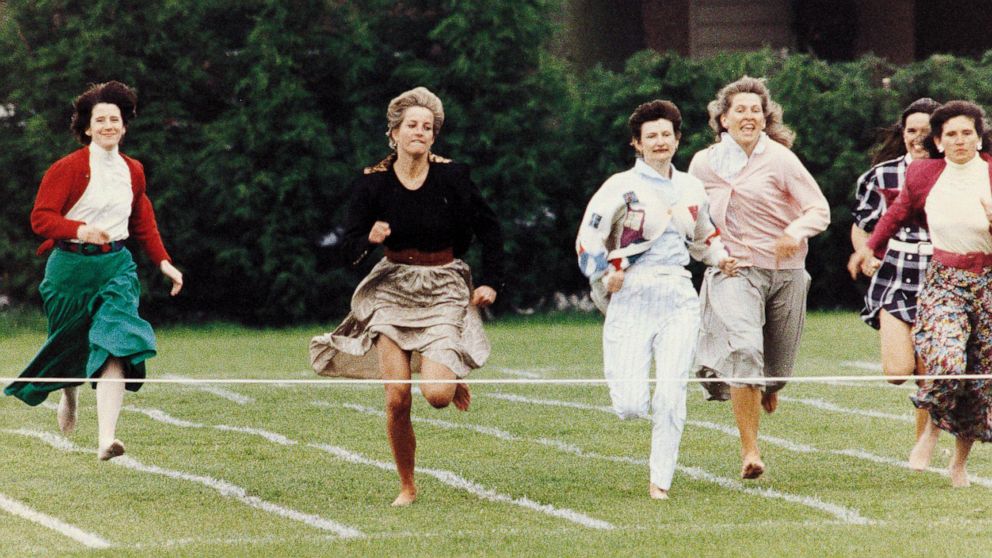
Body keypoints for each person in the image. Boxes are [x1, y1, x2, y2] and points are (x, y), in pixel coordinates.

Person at [309, 87, 504, 506]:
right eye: (411, 126)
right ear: (393, 133)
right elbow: (348, 247)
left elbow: (491, 230)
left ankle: (447, 374)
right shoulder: (373, 182)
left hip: (443, 285)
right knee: (397, 398)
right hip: (391, 289)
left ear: (435, 137)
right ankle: (407, 486)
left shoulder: (454, 176)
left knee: (435, 397)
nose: (420, 132)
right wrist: (369, 237)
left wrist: (491, 282)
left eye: (427, 127)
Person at [4, 81, 183, 460]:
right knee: (68, 343)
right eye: (99, 120)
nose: (107, 125)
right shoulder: (67, 168)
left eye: (113, 119)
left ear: (124, 125)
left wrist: (165, 263)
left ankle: (106, 439)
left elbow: (143, 220)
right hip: (68, 269)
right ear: (86, 127)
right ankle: (67, 391)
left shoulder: (133, 171)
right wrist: (78, 229)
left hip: (115, 267)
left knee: (116, 342)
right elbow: (41, 218)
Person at [577, 100, 738, 500]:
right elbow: (589, 238)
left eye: (667, 134)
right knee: (631, 404)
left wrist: (722, 259)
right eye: (651, 136)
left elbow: (705, 235)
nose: (660, 142)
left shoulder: (691, 187)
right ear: (637, 143)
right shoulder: (619, 187)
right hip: (631, 292)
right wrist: (604, 273)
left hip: (679, 294)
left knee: (671, 393)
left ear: (677, 139)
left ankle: (659, 482)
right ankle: (635, 408)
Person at [688, 76, 830, 480]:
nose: (749, 117)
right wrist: (713, 255)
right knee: (746, 351)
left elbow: (818, 210)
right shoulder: (703, 164)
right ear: (723, 120)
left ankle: (768, 388)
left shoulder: (781, 159)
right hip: (735, 270)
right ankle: (750, 450)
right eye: (740, 110)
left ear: (765, 118)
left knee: (777, 371)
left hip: (786, 273)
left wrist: (794, 232)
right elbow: (694, 222)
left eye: (756, 110)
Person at [852, 100, 992, 487]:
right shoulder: (924, 173)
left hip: (989, 282)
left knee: (980, 381)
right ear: (938, 140)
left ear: (979, 137)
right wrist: (869, 248)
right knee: (945, 361)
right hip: (945, 279)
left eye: (967, 132)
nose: (960, 140)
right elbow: (895, 214)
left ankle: (959, 464)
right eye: (951, 134)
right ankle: (930, 431)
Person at [847, 98, 941, 447]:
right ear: (902, 134)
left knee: (930, 370)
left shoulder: (955, 172)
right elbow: (862, 225)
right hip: (895, 274)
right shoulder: (880, 176)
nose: (918, 138)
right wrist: (864, 253)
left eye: (927, 132)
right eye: (912, 131)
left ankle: (924, 444)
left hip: (940, 274)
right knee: (898, 372)